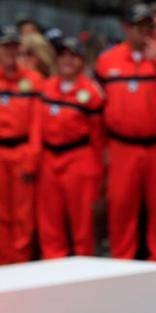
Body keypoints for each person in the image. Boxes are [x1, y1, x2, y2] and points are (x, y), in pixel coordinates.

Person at [95, 3, 156, 262]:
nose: (142, 33)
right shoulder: (107, 61)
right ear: (126, 28)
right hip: (122, 147)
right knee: (121, 209)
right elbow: (97, 108)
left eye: (147, 27)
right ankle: (123, 266)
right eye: (136, 27)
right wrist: (102, 149)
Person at [33, 37, 105, 259]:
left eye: (73, 56)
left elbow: (98, 136)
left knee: (82, 220)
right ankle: (53, 264)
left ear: (81, 61)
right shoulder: (46, 88)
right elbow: (36, 125)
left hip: (79, 159)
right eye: (63, 55)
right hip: (49, 159)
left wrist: (98, 170)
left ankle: (83, 266)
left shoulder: (91, 92)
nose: (67, 60)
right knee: (49, 220)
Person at [0, 26, 43, 265]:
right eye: (5, 46)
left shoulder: (32, 80)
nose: (10, 51)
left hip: (21, 153)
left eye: (14, 46)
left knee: (23, 215)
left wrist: (32, 157)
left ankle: (20, 263)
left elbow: (38, 124)